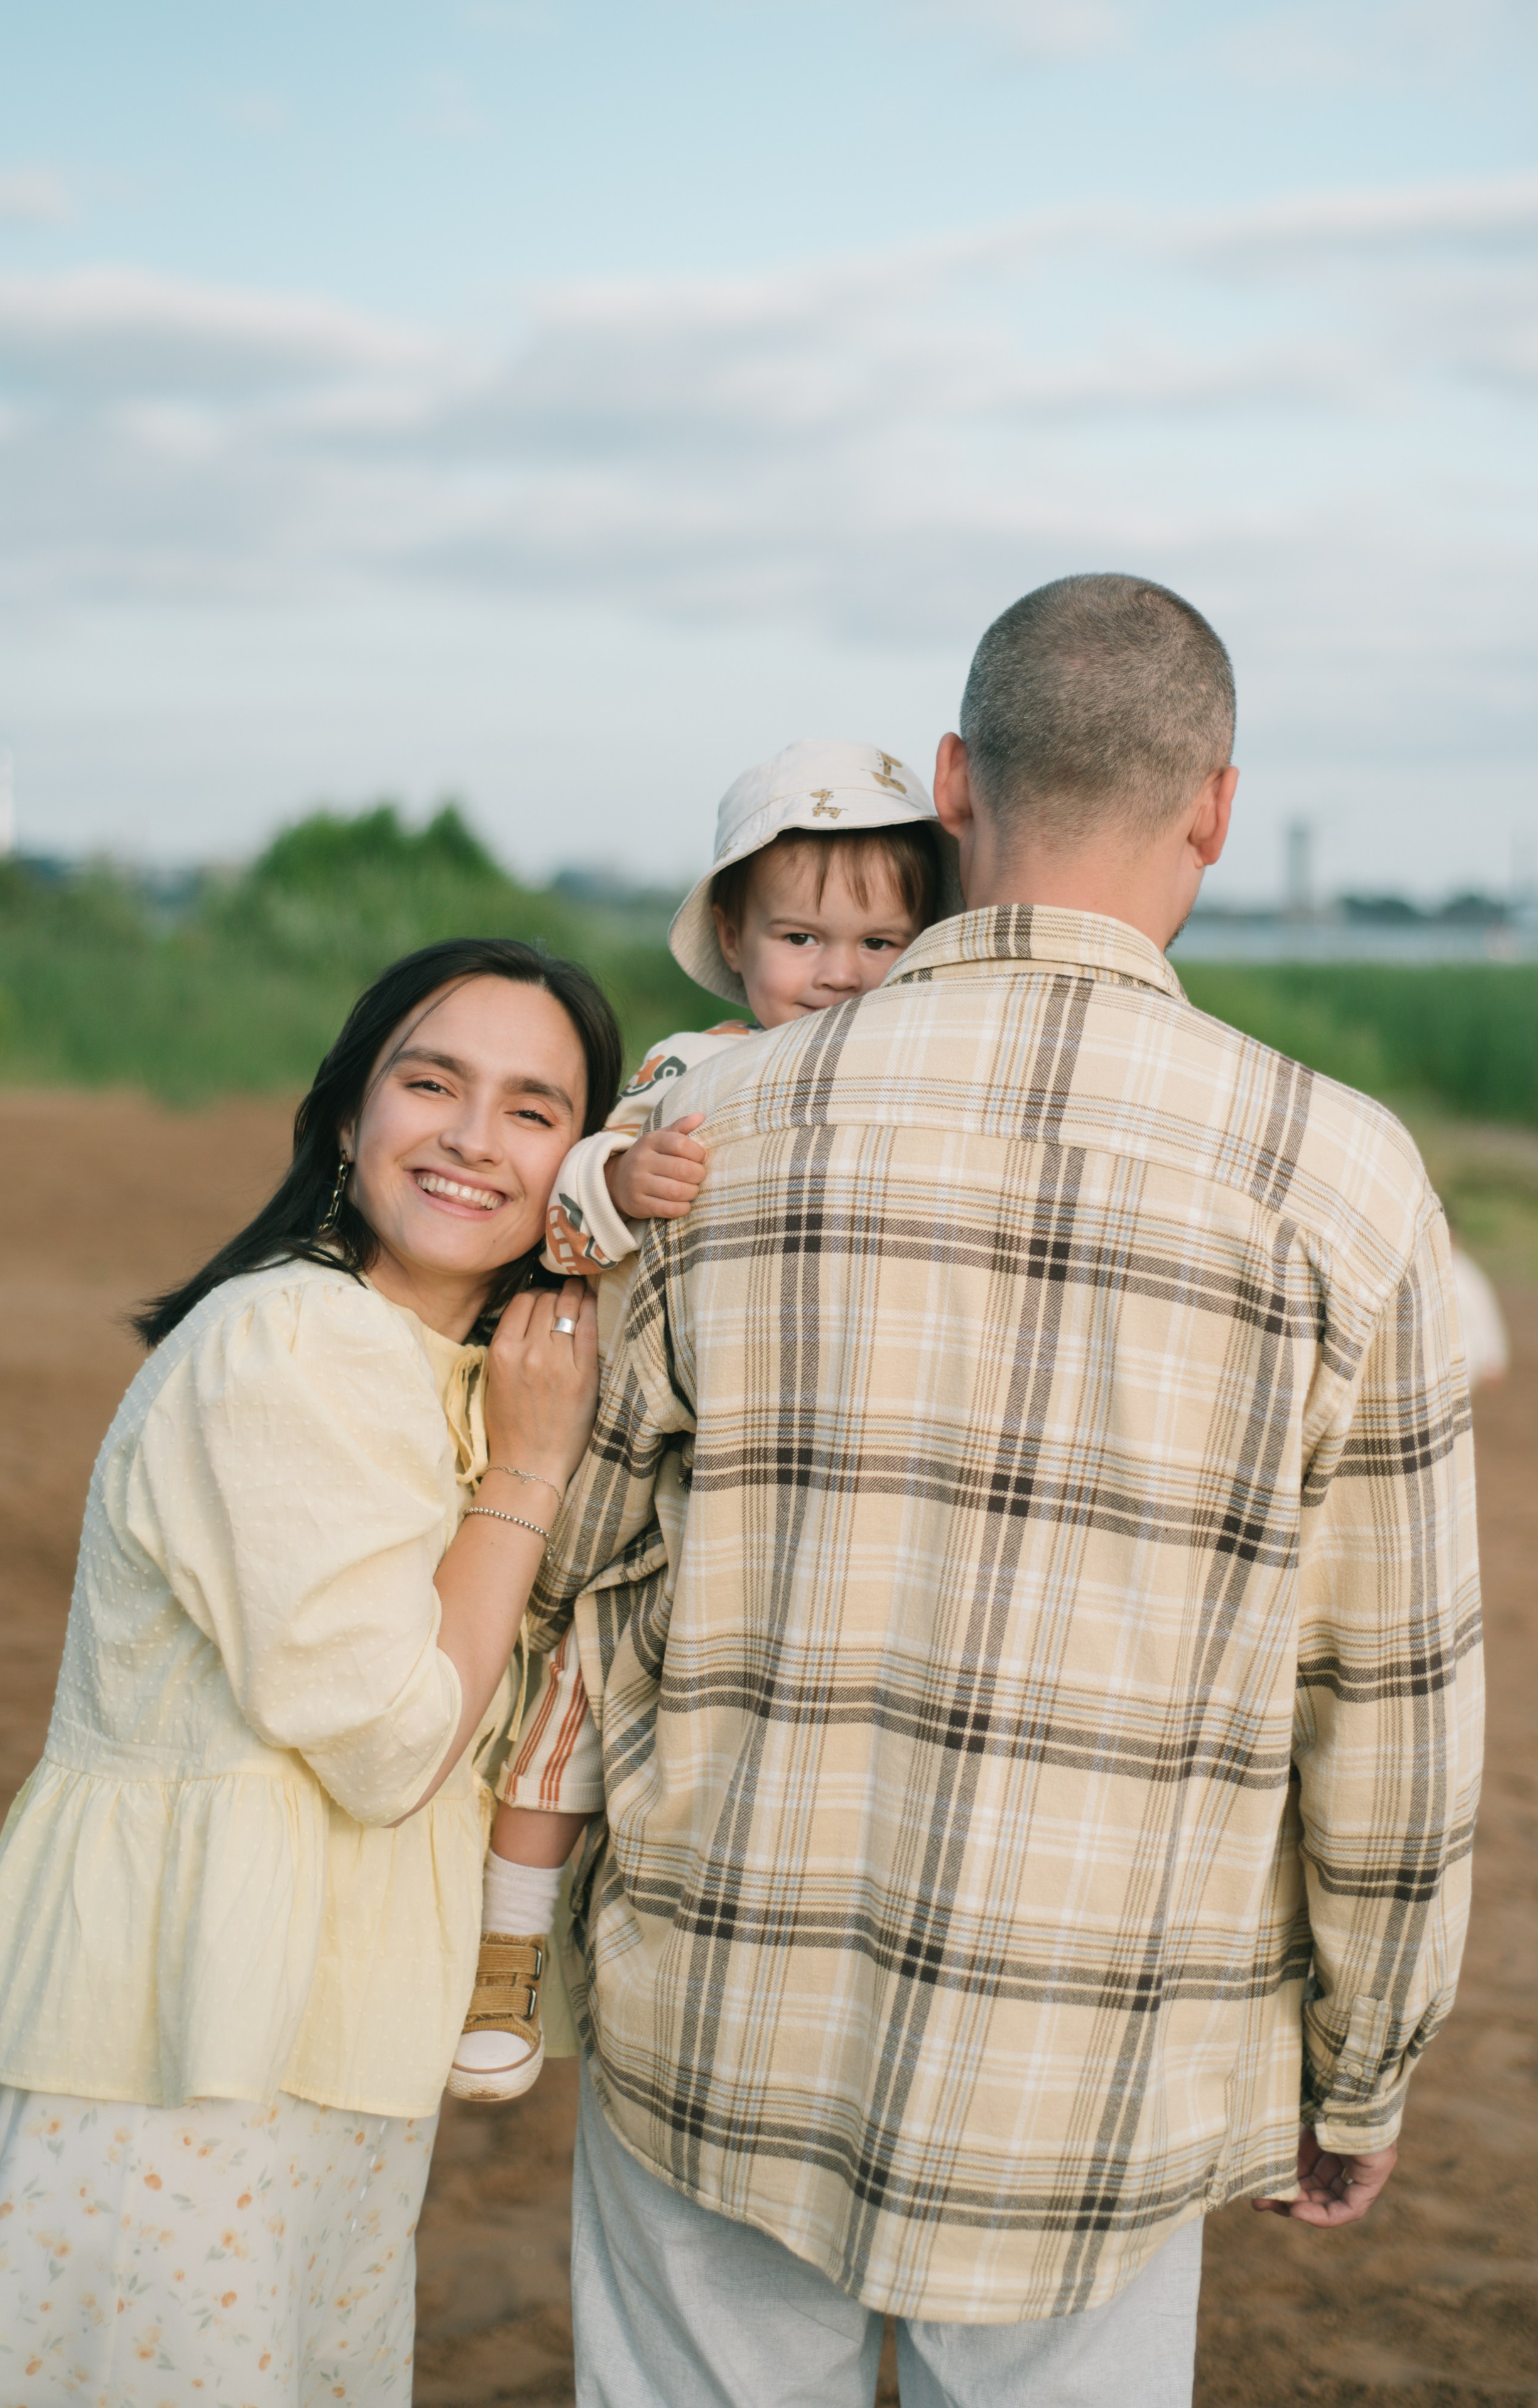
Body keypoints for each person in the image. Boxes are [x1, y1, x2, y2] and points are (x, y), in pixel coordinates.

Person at [534, 576, 1483, 2408]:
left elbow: (588, 1549)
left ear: (956, 782)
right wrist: (1361, 2065)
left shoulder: (705, 1140)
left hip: (720, 2007)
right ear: (1213, 805)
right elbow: (1392, 1704)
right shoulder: (1344, 1179)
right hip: (1100, 2060)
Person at [0, 937, 621, 2408]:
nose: (469, 1137)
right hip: (188, 2026)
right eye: (429, 1082)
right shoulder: (292, 1344)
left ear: (580, 1163)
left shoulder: (457, 1365)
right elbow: (387, 1740)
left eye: (530, 1107)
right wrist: (531, 1475)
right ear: (346, 1112)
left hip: (320, 2027)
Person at [452, 740, 961, 2102]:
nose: (838, 969)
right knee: (563, 1705)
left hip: (776, 1461)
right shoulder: (689, 1068)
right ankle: (504, 1955)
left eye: (877, 938)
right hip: (622, 1440)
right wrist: (623, 1170)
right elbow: (564, 1214)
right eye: (799, 934)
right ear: (731, 935)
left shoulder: (920, 1078)